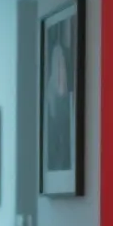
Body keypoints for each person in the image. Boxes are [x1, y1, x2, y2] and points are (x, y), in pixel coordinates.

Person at [44, 18, 75, 174]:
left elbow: (61, 87)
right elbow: (61, 87)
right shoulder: (58, 52)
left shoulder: (58, 52)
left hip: (59, 106)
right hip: (58, 106)